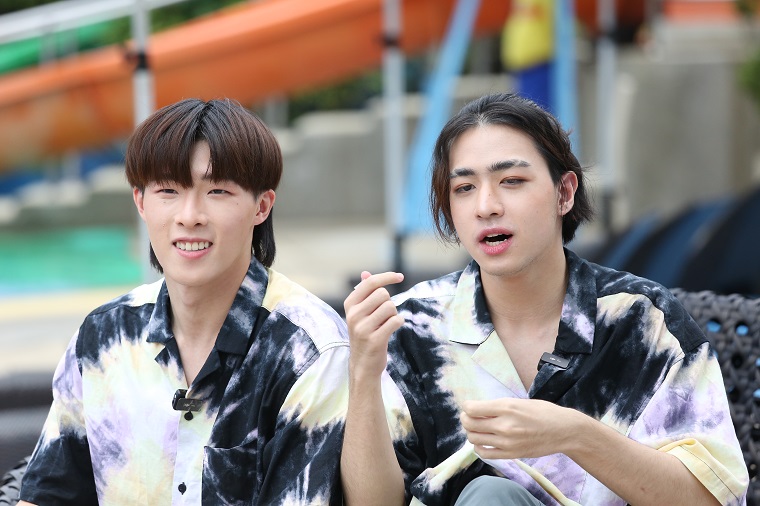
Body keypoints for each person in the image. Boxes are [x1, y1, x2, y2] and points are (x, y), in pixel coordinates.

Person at [342, 92, 748, 505]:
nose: (486, 206)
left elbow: (713, 499)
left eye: (512, 181)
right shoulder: (410, 325)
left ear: (564, 193)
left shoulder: (641, 320)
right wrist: (362, 371)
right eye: (464, 188)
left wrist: (576, 434)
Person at [18, 98, 349, 505]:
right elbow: (47, 494)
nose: (190, 216)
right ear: (141, 202)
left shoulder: (308, 349)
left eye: (217, 191)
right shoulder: (104, 336)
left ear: (261, 207)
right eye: (169, 191)